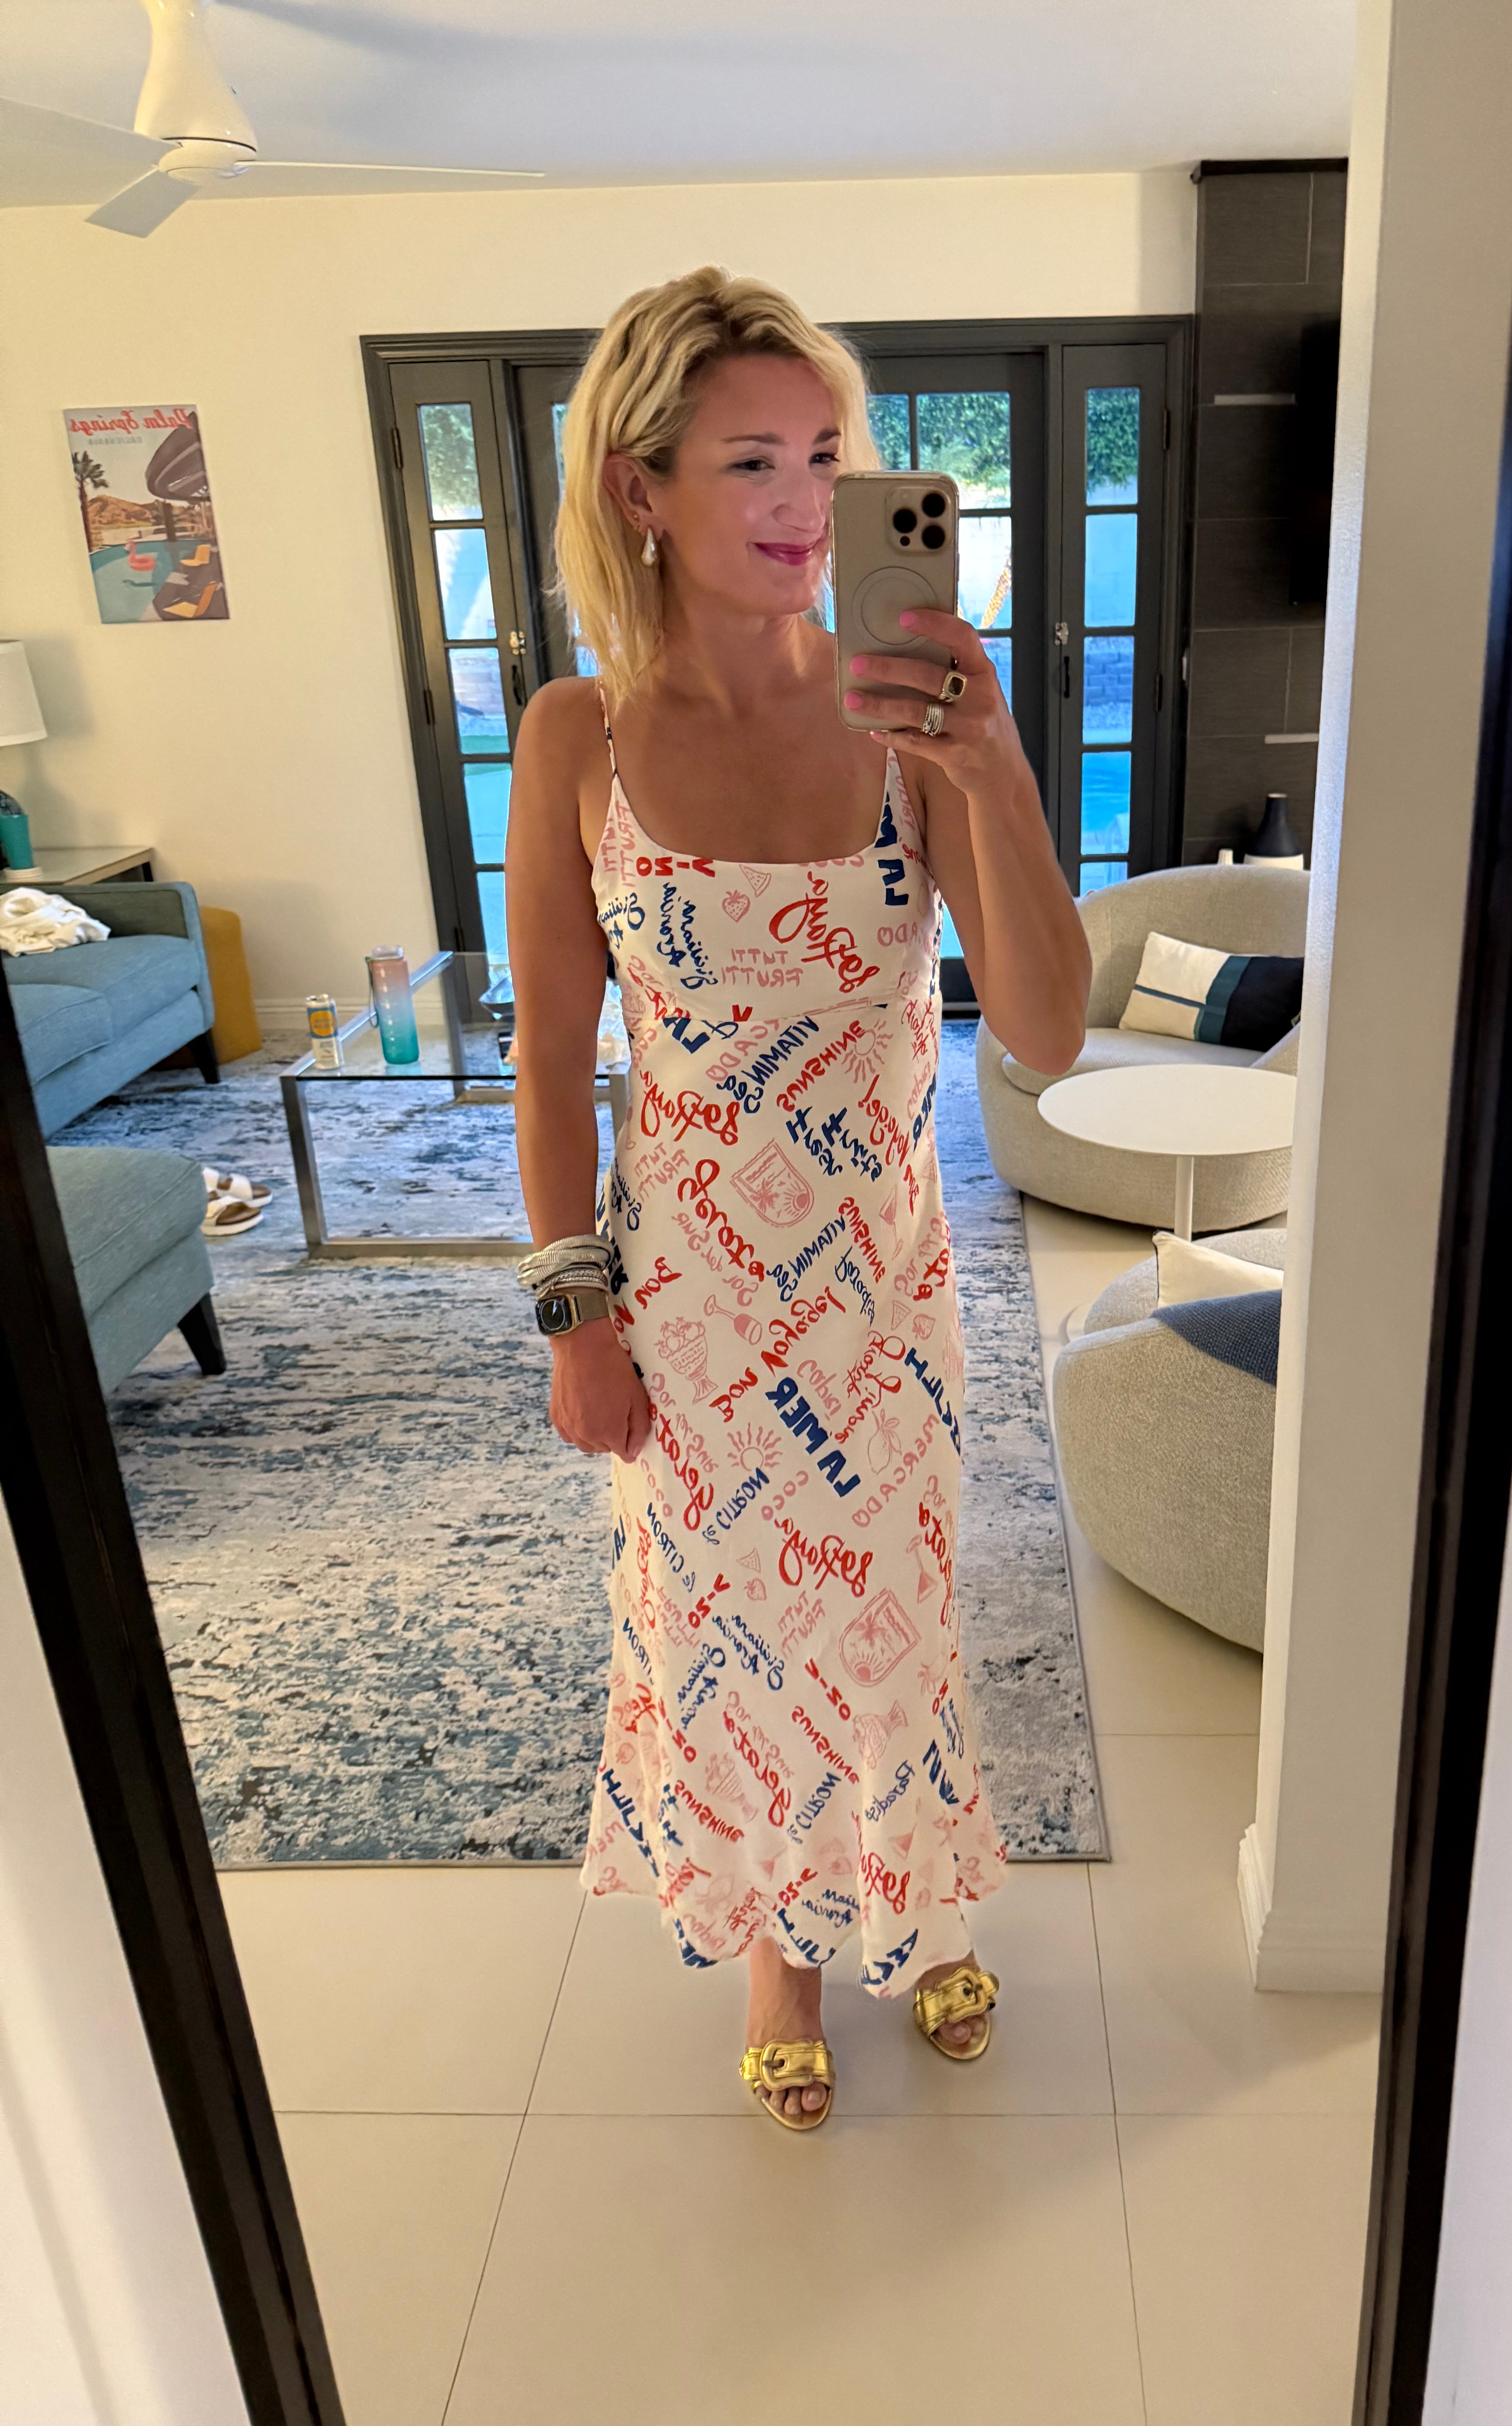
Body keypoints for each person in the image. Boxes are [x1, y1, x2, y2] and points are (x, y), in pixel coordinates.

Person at [506, 266, 1089, 2130]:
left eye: (827, 457)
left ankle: (919, 1909)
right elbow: (549, 1059)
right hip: (686, 1304)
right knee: (723, 1639)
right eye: (751, 458)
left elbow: (1050, 1033)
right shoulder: (578, 738)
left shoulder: (908, 717)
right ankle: (780, 1954)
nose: (802, 499)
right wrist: (573, 1318)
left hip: (884, 1296)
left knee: (896, 1621)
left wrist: (994, 770)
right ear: (641, 489)